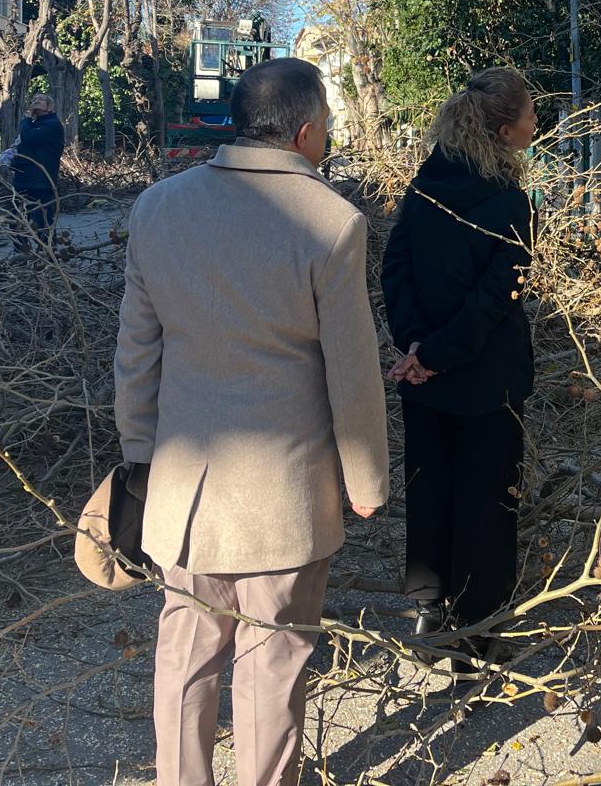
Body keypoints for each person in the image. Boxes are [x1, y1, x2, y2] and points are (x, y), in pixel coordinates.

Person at [114, 58, 389, 786]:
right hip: (286, 497)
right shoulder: (331, 221)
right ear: (304, 131)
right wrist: (366, 480)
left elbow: (136, 351)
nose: (326, 138)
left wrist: (139, 453)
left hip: (183, 491)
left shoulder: (158, 208)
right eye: (326, 125)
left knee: (184, 661)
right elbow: (352, 370)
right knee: (273, 668)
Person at [380, 67, 537, 669]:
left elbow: (395, 271)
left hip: (423, 377)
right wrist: (438, 353)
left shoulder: (423, 188)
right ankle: (478, 626)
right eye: (528, 115)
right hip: (487, 378)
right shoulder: (512, 204)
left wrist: (416, 348)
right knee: (488, 499)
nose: (534, 123)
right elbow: (498, 299)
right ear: (504, 130)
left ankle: (428, 608)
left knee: (430, 488)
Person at [13, 93, 64, 249]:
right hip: (23, 179)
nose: (35, 101)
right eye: (34, 100)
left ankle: (48, 254)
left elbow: (29, 138)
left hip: (41, 181)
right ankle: (21, 254)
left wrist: (26, 119)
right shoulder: (33, 124)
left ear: (49, 107)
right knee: (17, 220)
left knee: (42, 221)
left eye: (40, 100)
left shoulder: (52, 124)